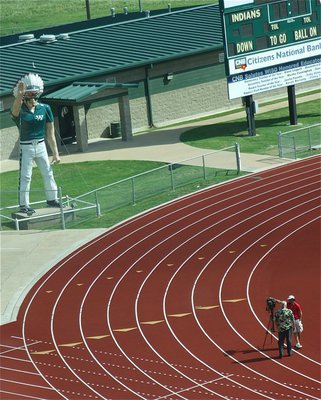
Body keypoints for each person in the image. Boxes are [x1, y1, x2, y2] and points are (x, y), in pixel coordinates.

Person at [11, 73, 61, 214]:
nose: (33, 100)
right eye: (30, 97)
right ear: (25, 98)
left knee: (48, 172)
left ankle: (52, 199)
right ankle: (24, 204)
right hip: (26, 146)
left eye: (35, 96)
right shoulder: (21, 110)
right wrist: (20, 95)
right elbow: (14, 111)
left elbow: (50, 133)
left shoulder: (45, 108)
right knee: (26, 176)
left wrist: (56, 153)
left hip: (40, 145)